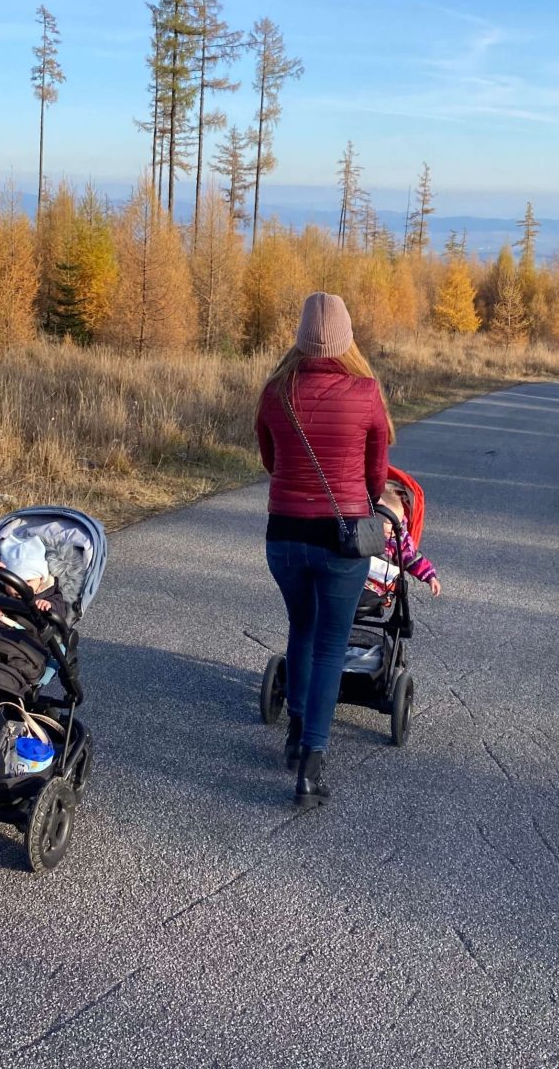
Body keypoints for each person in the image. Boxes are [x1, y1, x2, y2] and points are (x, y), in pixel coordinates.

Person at [256, 292, 393, 808]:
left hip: (284, 536)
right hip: (342, 539)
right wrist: (364, 500)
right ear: (346, 337)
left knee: (301, 629)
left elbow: (271, 460)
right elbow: (376, 472)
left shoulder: (276, 391)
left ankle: (294, 732)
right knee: (332, 644)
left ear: (299, 335)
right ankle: (310, 766)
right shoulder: (365, 391)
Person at [361, 487, 441, 606]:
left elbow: (413, 559)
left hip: (378, 585)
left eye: (398, 523)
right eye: (390, 524)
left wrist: (430, 577)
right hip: (355, 577)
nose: (395, 528)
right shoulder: (361, 531)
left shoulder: (399, 538)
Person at [0, 536, 67, 627]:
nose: (20, 587)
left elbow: (62, 609)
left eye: (28, 580)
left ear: (40, 579)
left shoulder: (48, 592)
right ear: (4, 581)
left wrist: (50, 605)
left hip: (29, 633)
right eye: (14, 582)